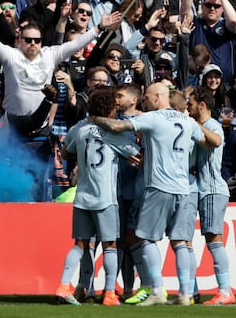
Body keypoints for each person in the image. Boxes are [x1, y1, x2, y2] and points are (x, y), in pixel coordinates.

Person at [89, 82, 221, 306]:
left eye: (147, 98)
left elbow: (117, 127)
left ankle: (157, 289)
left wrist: (94, 119)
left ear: (158, 97)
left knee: (143, 238)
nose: (144, 102)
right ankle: (186, 294)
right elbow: (212, 142)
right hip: (183, 189)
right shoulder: (186, 120)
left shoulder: (153, 117)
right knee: (180, 242)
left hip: (159, 186)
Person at [55, 87, 139, 306]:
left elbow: (64, 153)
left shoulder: (79, 129)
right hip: (105, 198)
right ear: (110, 109)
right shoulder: (113, 133)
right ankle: (109, 293)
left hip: (83, 197)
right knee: (110, 245)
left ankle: (64, 286)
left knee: (79, 245)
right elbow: (135, 156)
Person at [0, 6, 120, 117]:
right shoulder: (10, 55)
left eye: (37, 40)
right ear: (20, 39)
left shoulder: (50, 54)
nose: (33, 43)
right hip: (12, 122)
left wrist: (99, 28)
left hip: (39, 124)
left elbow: (77, 44)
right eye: (28, 40)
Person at [186, 86, 235, 305]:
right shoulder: (200, 126)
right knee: (187, 241)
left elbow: (216, 141)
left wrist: (194, 124)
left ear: (202, 105)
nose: (188, 108)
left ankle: (225, 291)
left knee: (214, 241)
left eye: (191, 104)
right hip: (200, 189)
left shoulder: (212, 125)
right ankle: (191, 291)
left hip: (213, 189)